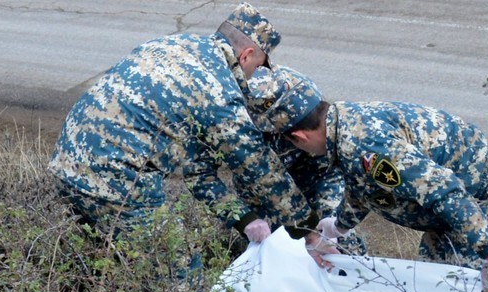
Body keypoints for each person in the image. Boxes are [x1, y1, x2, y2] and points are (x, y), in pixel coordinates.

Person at [47, 3, 320, 246]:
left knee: (109, 257)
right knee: (178, 273)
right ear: (246, 55)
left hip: (65, 167)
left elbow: (196, 169)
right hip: (116, 184)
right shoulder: (217, 89)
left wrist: (244, 218)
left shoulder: (169, 45)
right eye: (260, 66)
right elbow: (257, 165)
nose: (255, 75)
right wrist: (307, 229)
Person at [253, 70, 488, 292]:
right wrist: (338, 226)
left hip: (481, 208)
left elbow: (445, 190)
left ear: (299, 136)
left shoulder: (367, 145)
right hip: (448, 216)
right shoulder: (343, 124)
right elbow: (365, 187)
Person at [243, 65, 367, 255]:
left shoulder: (304, 98)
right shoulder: (239, 125)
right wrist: (246, 218)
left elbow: (329, 171)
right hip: (264, 194)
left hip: (314, 177)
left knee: (340, 242)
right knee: (274, 253)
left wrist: (331, 220)